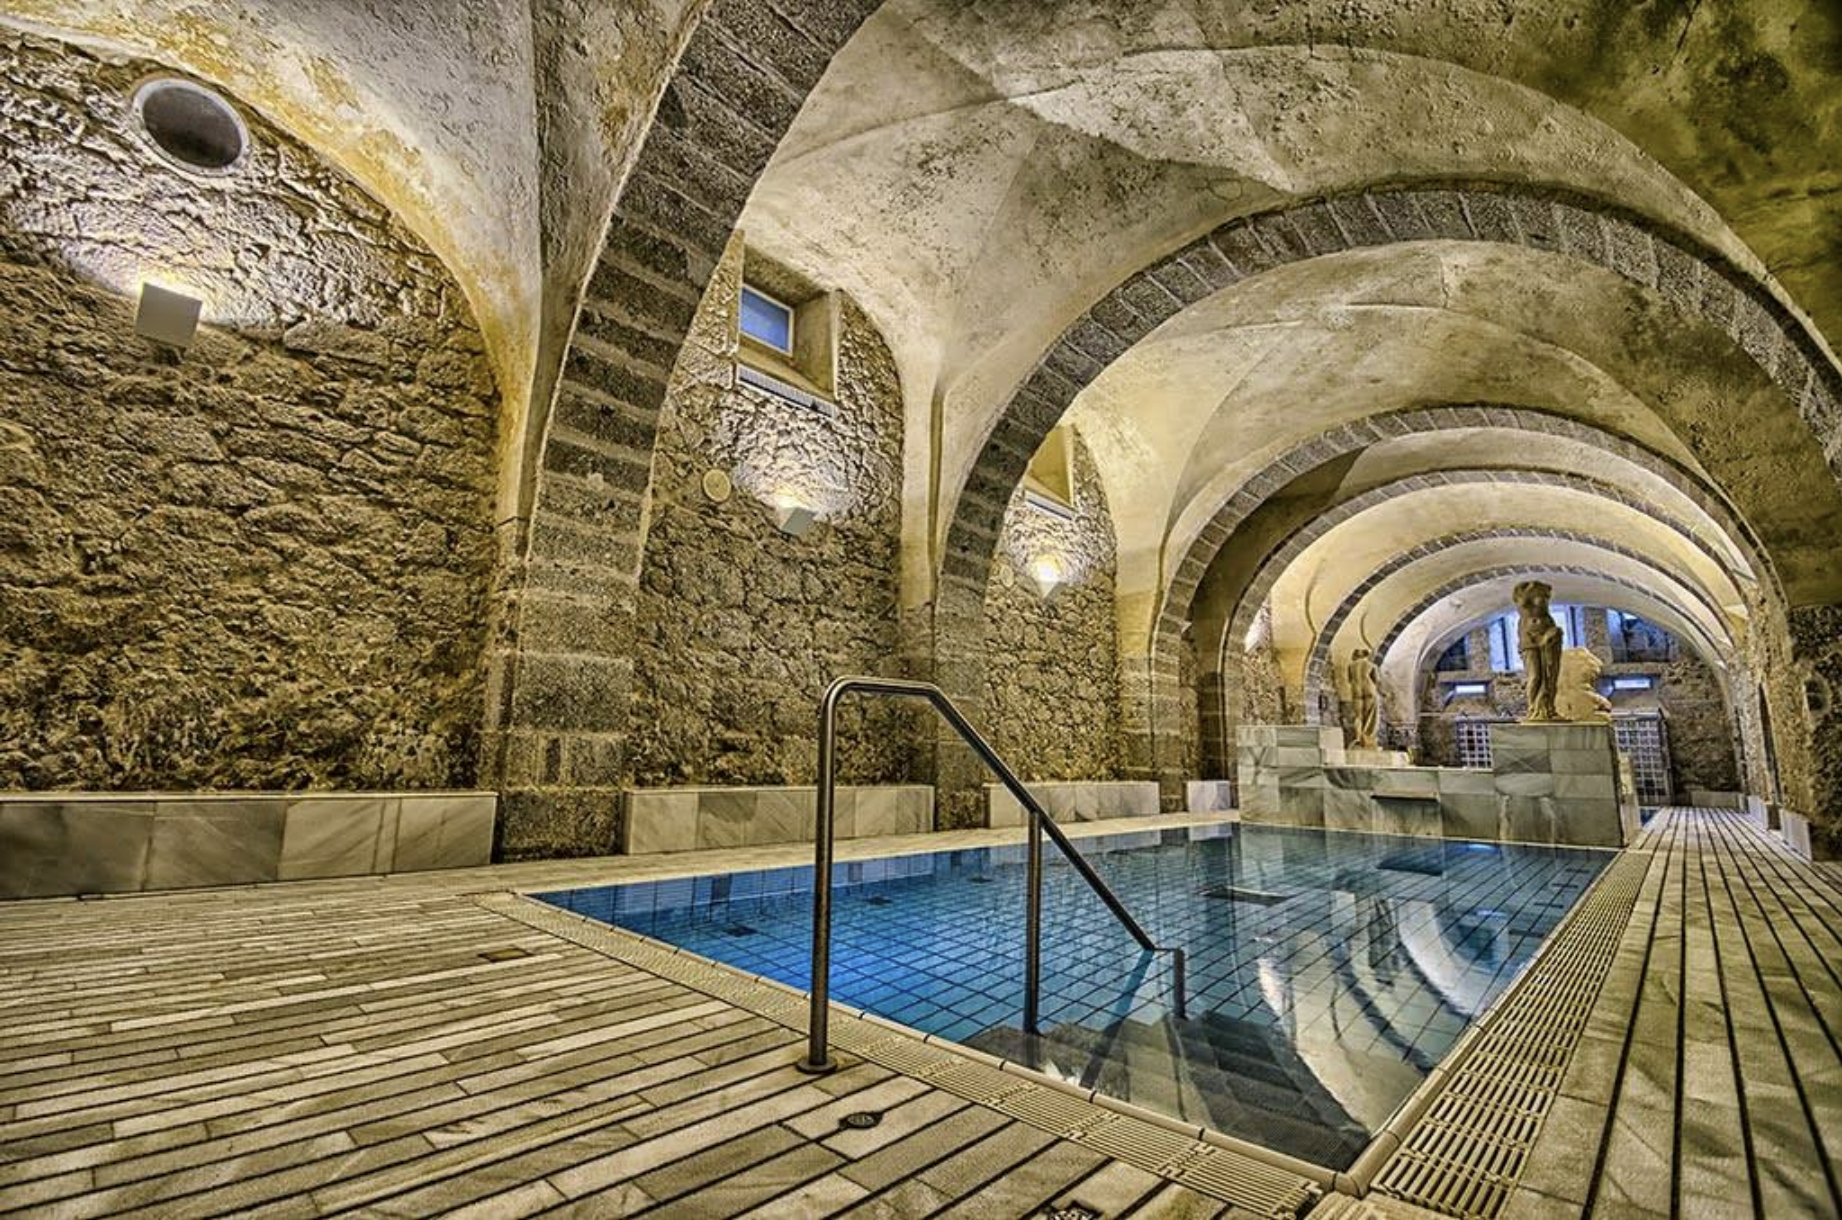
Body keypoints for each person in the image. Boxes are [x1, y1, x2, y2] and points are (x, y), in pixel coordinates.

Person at [1513, 580, 1562, 722]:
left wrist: (1553, 634)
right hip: (1530, 643)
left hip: (1546, 645)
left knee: (1549, 677)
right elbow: (1521, 599)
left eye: (1547, 598)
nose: (1546, 601)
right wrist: (1530, 587)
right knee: (1534, 676)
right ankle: (1533, 708)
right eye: (1543, 597)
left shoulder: (1547, 617)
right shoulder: (1525, 607)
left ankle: (1548, 708)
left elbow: (1552, 629)